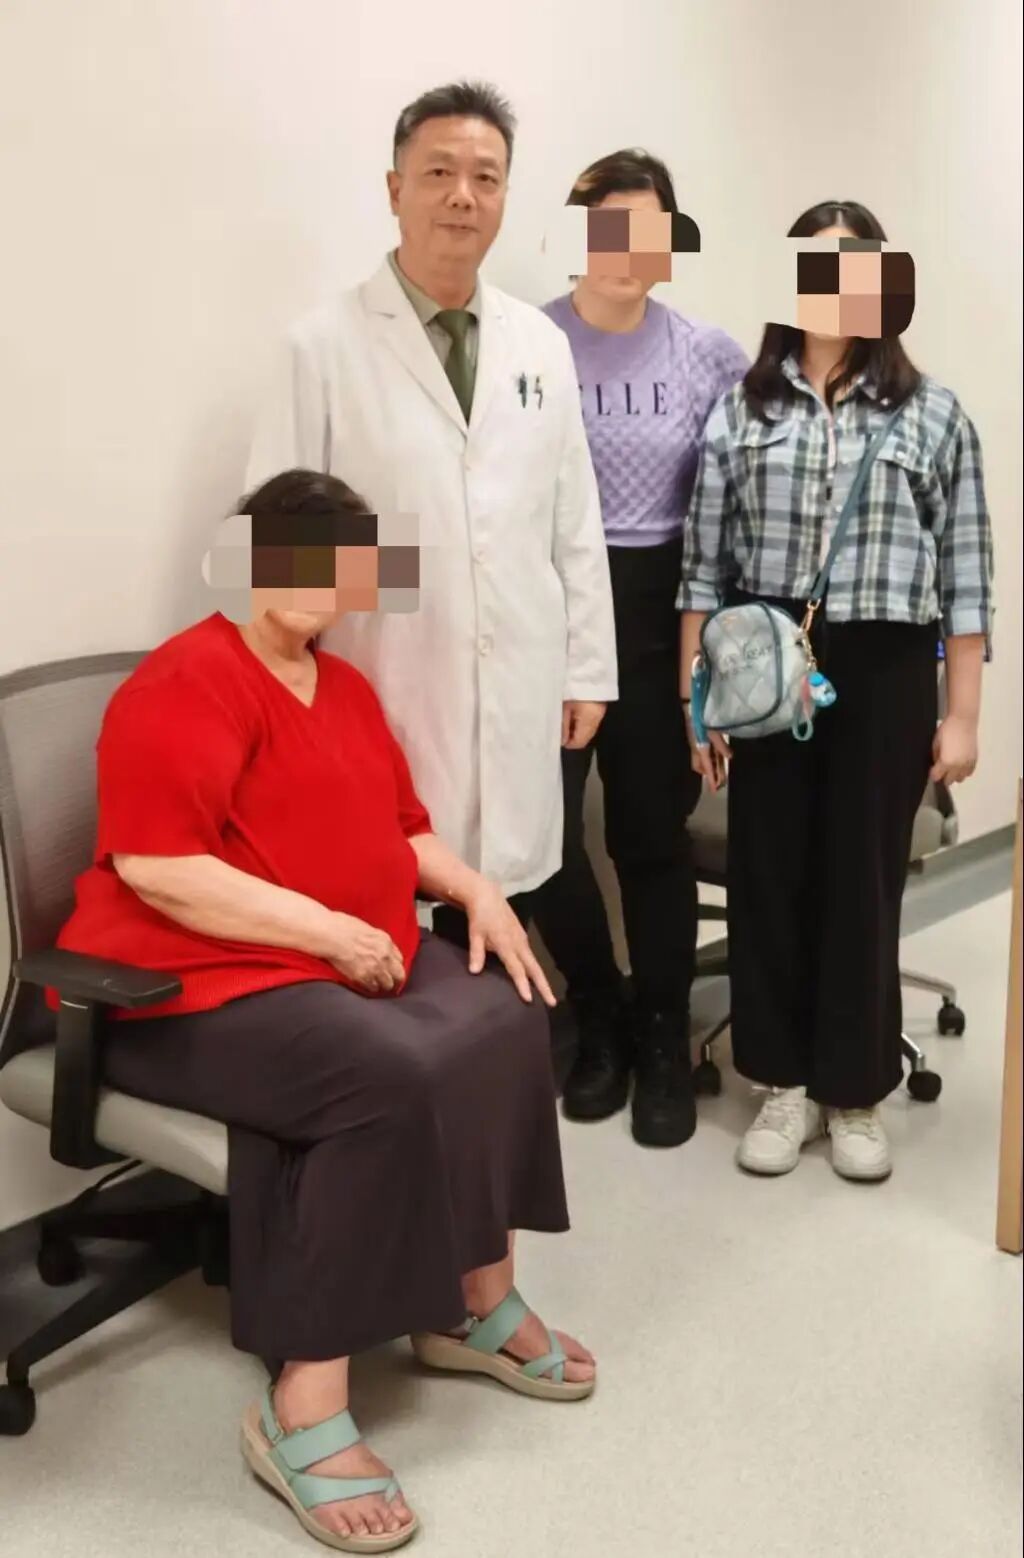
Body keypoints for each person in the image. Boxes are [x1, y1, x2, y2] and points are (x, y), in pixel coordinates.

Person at [52, 471, 597, 1555]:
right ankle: (302, 1400)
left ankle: (471, 1302)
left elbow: (404, 831)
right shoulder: (186, 681)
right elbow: (159, 867)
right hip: (190, 984)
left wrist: (478, 891)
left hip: (341, 956)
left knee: (509, 1013)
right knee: (381, 1074)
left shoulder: (343, 689)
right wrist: (330, 933)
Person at [246, 81, 617, 943]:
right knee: (394, 906)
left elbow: (573, 520)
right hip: (385, 672)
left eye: (486, 178)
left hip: (521, 676)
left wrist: (587, 669)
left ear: (505, 198)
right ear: (394, 189)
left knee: (509, 896)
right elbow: (276, 549)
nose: (463, 196)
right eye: (439, 172)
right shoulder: (321, 346)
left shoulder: (541, 345)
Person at [679, 200, 994, 1183]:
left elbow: (967, 579)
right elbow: (701, 572)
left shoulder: (934, 414)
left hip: (887, 667)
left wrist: (962, 713)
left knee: (862, 882)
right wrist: (696, 703)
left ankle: (854, 1090)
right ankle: (780, 1082)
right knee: (770, 874)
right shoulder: (741, 411)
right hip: (766, 664)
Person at [531, 150, 748, 1148]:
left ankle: (664, 1030)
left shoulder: (706, 353)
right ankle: (601, 1012)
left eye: (647, 230)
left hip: (666, 612)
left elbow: (743, 495)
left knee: (650, 839)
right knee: (542, 838)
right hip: (553, 607)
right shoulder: (528, 343)